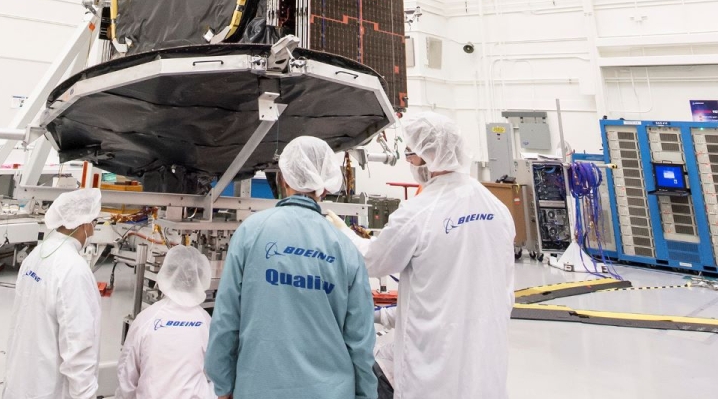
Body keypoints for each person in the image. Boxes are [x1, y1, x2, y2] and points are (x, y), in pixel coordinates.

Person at [331, 111, 514, 399]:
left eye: (411, 155)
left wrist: (343, 232)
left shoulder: (420, 210)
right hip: (485, 350)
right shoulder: (496, 207)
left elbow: (373, 261)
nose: (410, 163)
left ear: (429, 158)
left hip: (434, 355)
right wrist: (385, 315)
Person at [206, 136, 376, 399]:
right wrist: (366, 394)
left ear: (283, 179)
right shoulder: (345, 248)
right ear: (325, 187)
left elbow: (226, 318)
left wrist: (223, 384)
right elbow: (360, 340)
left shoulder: (251, 232)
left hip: (258, 388)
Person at [4, 188, 103, 399]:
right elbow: (78, 345)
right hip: (48, 388)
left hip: (21, 380)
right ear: (84, 223)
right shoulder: (74, 269)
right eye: (94, 223)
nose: (93, 231)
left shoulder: (37, 254)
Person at [117, 245, 216, 399]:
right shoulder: (206, 322)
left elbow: (127, 376)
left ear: (166, 273)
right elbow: (216, 375)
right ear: (201, 277)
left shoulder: (146, 319)